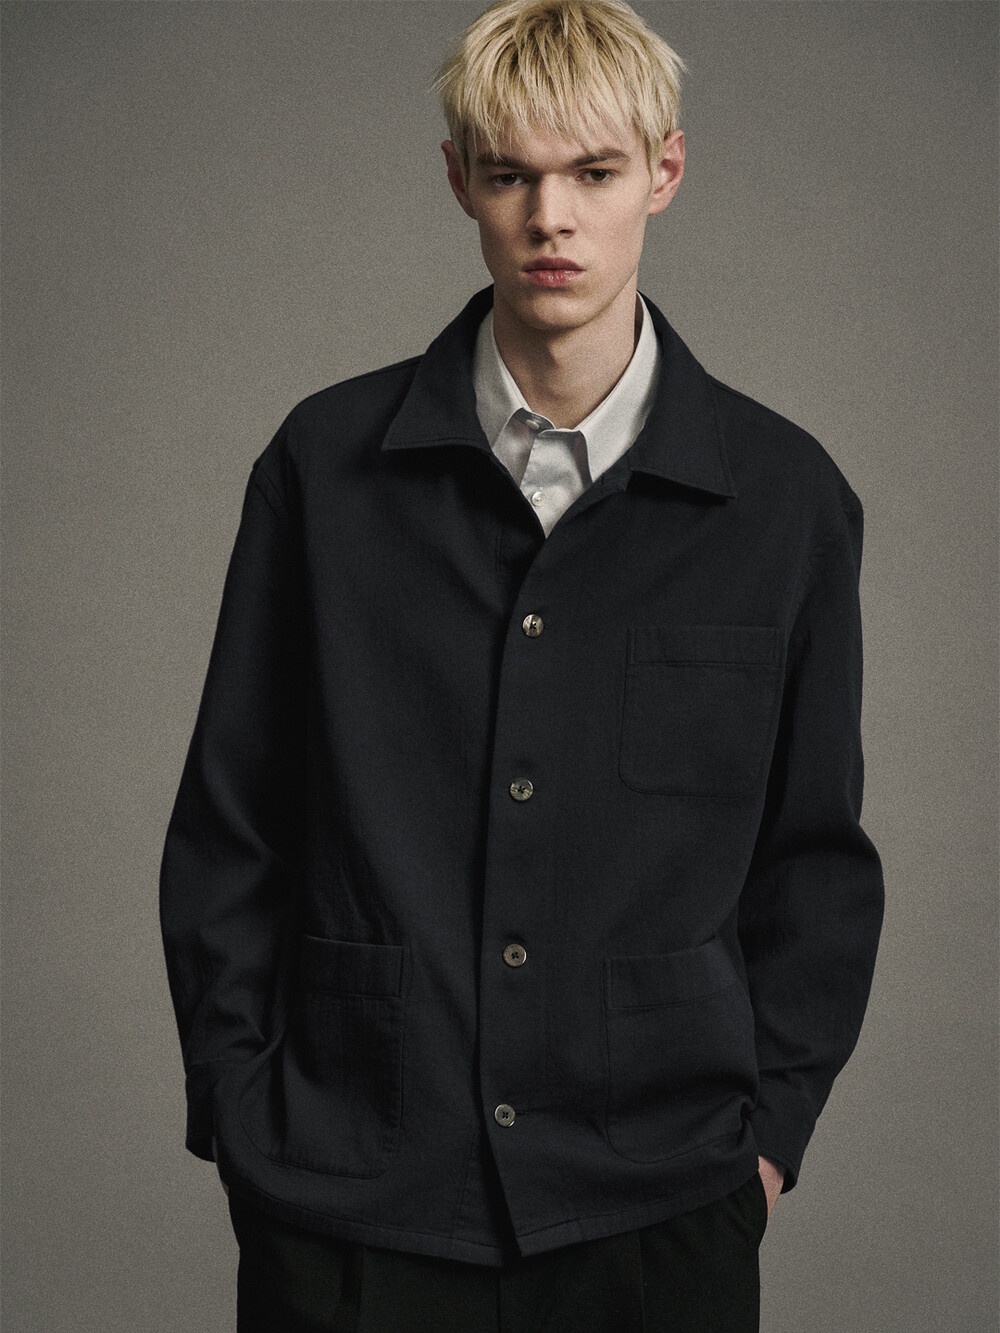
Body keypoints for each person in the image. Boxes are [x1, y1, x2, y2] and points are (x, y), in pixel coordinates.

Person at [159, 2, 884, 1328]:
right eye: (511, 175)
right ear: (460, 183)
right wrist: (240, 1108)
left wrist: (767, 1144)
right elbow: (231, 824)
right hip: (351, 1198)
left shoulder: (786, 502)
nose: (553, 218)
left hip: (659, 1206)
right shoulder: (324, 470)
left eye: (594, 172)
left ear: (664, 171)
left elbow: (815, 860)